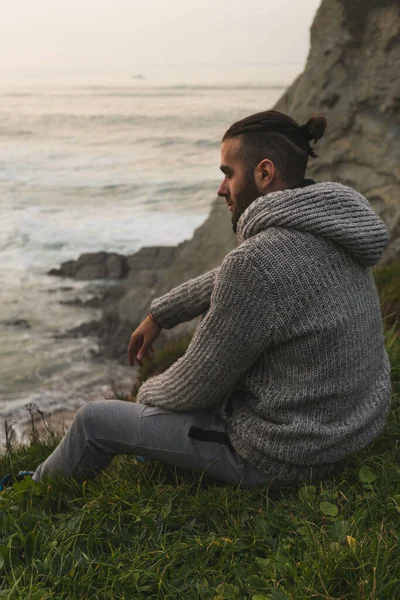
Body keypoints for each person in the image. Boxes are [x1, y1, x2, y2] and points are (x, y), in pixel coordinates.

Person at [1, 110, 392, 491]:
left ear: (265, 172)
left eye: (228, 173)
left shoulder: (258, 263)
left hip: (285, 455)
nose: (221, 188)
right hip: (354, 426)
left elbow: (195, 389)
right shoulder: (332, 227)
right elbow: (248, 276)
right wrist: (162, 312)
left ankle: (30, 494)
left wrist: (143, 401)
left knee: (93, 421)